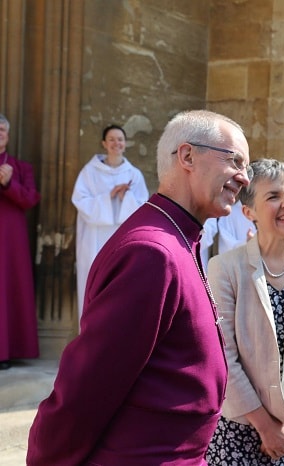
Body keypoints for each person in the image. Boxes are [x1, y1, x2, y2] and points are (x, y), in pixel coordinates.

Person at [27, 109, 252, 465]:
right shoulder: (152, 253)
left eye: (247, 168)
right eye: (235, 161)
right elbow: (87, 388)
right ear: (187, 156)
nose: (243, 178)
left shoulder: (181, 237)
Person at [206, 158, 284, 465]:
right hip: (240, 430)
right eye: (274, 196)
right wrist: (265, 427)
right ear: (248, 212)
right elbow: (224, 356)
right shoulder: (224, 268)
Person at [71, 124, 149, 318]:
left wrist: (125, 199)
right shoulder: (90, 172)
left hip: (123, 239)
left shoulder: (134, 174)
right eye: (112, 140)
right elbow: (80, 201)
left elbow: (143, 209)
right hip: (95, 238)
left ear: (125, 144)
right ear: (104, 143)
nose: (117, 143)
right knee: (95, 285)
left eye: (120, 140)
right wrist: (109, 197)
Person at [0, 113, 41, 370]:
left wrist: (8, 183)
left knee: (7, 289)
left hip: (10, 241)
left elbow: (30, 199)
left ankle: (5, 352)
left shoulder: (21, 167)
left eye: (3, 130)